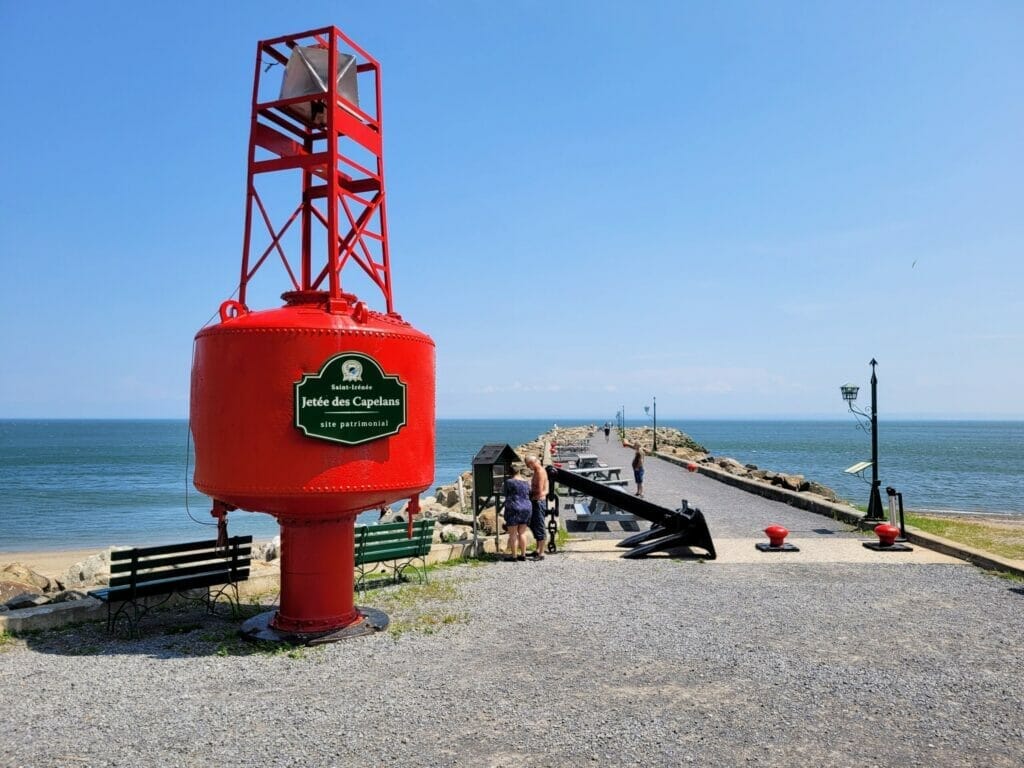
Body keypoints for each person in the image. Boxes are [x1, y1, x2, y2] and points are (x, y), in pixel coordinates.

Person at [501, 463, 532, 561]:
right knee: (522, 533)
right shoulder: (526, 482)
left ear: (510, 472)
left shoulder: (509, 482)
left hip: (513, 508)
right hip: (526, 507)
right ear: (519, 471)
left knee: (513, 534)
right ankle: (523, 555)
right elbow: (529, 492)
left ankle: (514, 556)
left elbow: (503, 493)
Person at [525, 455, 548, 560]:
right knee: (534, 524)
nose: (527, 467)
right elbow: (545, 488)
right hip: (536, 501)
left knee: (539, 526)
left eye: (527, 465)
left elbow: (538, 490)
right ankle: (538, 549)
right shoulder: (538, 471)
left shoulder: (539, 472)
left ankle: (541, 553)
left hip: (538, 501)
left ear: (532, 463)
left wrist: (527, 491)